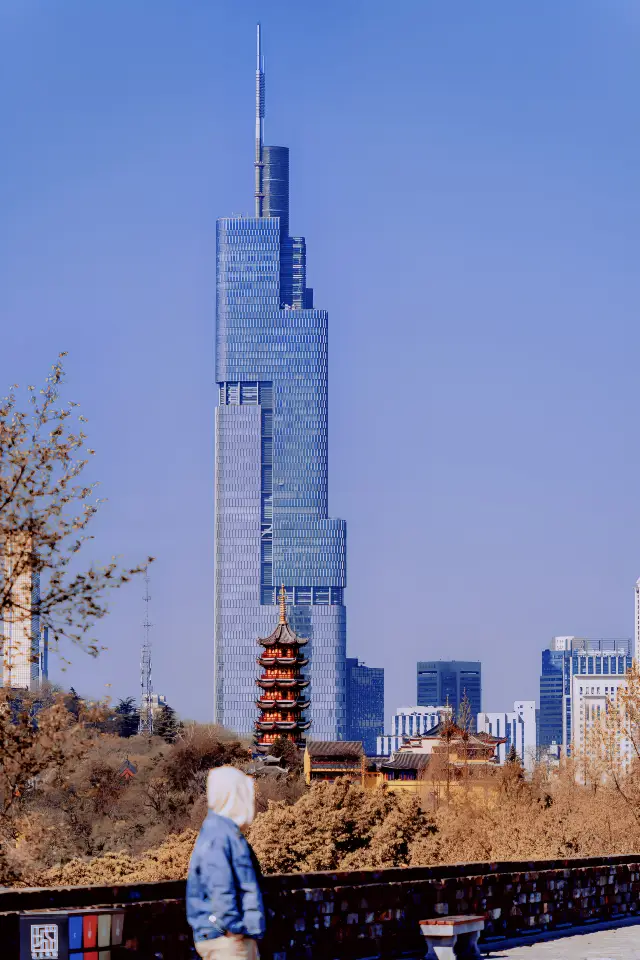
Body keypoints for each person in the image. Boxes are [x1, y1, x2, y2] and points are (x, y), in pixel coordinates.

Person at [187, 766, 266, 959]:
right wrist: (235, 928)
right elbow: (220, 886)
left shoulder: (222, 832)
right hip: (227, 939)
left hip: (228, 936)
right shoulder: (220, 835)